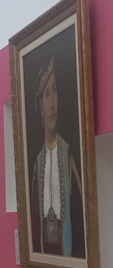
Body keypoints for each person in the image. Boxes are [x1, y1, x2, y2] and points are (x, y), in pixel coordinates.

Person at [29, 55, 84, 257]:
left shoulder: (69, 156)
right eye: (46, 94)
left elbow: (80, 222)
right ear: (40, 108)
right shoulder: (37, 163)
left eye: (55, 91)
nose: (52, 103)